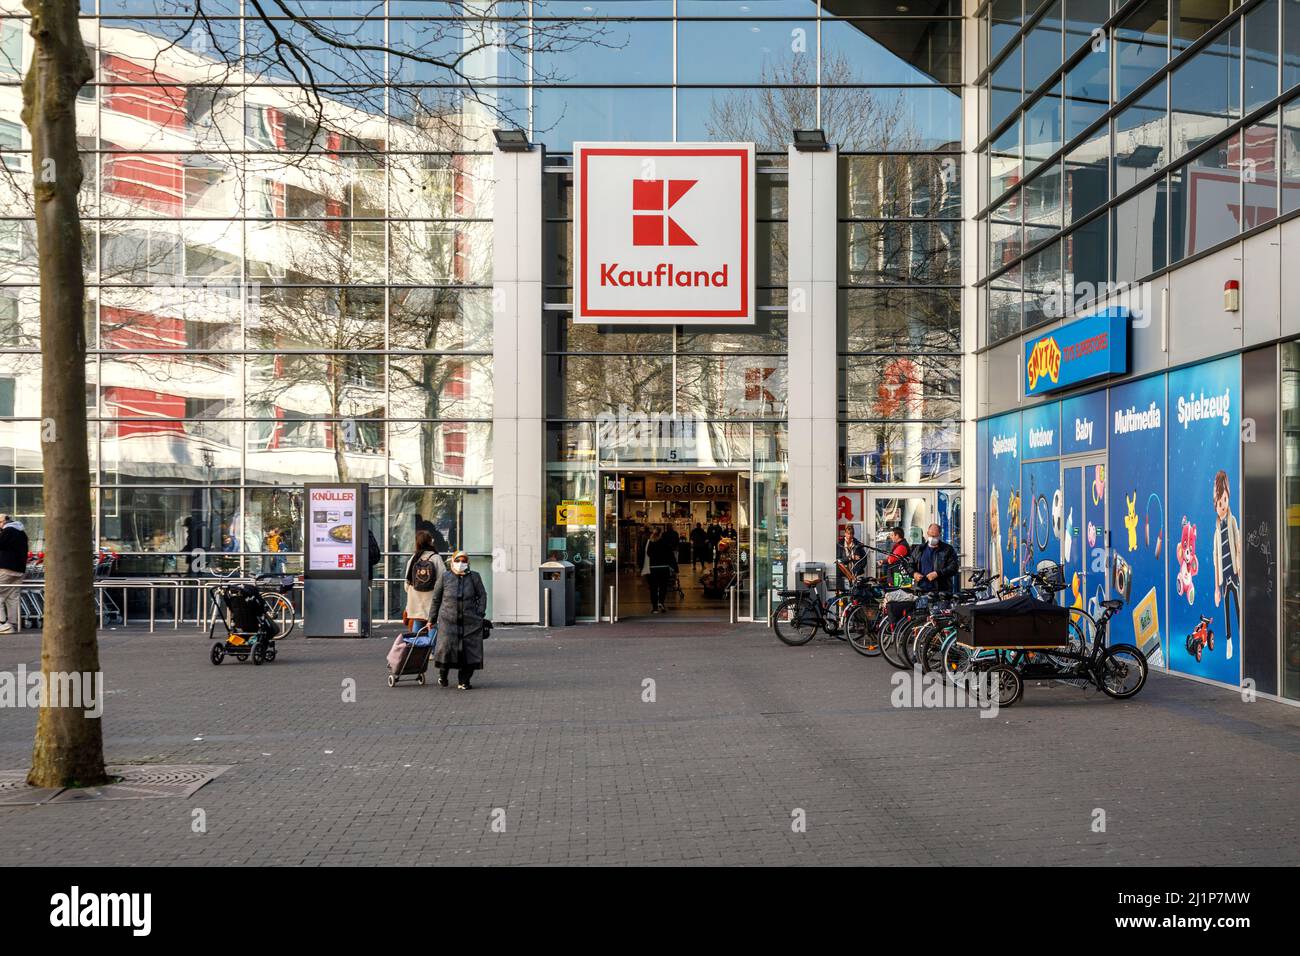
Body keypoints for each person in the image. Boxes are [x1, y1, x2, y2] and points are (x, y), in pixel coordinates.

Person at [430, 551, 488, 690]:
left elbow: (482, 595)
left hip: (470, 622)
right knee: (446, 650)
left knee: (469, 652)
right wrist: (431, 619)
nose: (461, 563)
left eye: (464, 560)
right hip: (448, 622)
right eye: (458, 560)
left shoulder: (474, 577)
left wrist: (479, 613)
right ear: (453, 561)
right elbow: (436, 599)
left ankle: (464, 681)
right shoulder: (445, 577)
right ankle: (443, 676)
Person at [1211, 469, 1241, 660]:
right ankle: (1229, 641)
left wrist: (1241, 571)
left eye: (1224, 501)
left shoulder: (1232, 522)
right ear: (1215, 505)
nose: (1222, 506)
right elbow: (1215, 562)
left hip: (1235, 576)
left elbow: (1238, 548)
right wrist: (1216, 589)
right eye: (1219, 503)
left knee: (1239, 609)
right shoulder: (1216, 533)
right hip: (1224, 579)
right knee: (1227, 610)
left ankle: (1242, 637)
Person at [403, 529, 445, 633]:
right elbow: (443, 579)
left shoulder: (413, 558)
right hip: (431, 598)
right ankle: (432, 648)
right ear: (431, 542)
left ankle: (417, 647)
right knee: (432, 624)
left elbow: (407, 584)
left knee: (417, 624)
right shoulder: (435, 558)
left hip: (415, 599)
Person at [911, 523, 959, 594]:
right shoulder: (919, 549)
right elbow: (910, 565)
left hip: (941, 591)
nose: (932, 538)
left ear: (939, 535)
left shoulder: (947, 549)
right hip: (921, 590)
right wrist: (914, 573)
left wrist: (938, 573)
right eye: (931, 535)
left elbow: (954, 567)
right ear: (927, 533)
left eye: (935, 536)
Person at [0, 514, 27, 634]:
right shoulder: (21, 532)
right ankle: (13, 623)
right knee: (12, 597)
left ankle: (2, 624)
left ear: (5, 521)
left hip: (7, 568)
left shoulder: (8, 531)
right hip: (19, 570)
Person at [642, 527, 677, 613]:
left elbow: (647, 554)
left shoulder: (650, 543)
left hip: (653, 569)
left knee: (653, 588)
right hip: (664, 568)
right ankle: (661, 602)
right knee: (663, 587)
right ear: (661, 534)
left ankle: (654, 607)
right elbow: (670, 556)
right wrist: (675, 568)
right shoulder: (665, 543)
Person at [836, 525, 867, 591]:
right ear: (845, 534)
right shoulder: (840, 544)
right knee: (844, 594)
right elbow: (838, 560)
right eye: (848, 533)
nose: (849, 535)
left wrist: (860, 568)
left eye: (851, 534)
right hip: (844, 574)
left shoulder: (858, 544)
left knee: (856, 593)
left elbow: (864, 558)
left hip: (856, 574)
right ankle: (850, 577)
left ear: (853, 534)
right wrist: (851, 557)